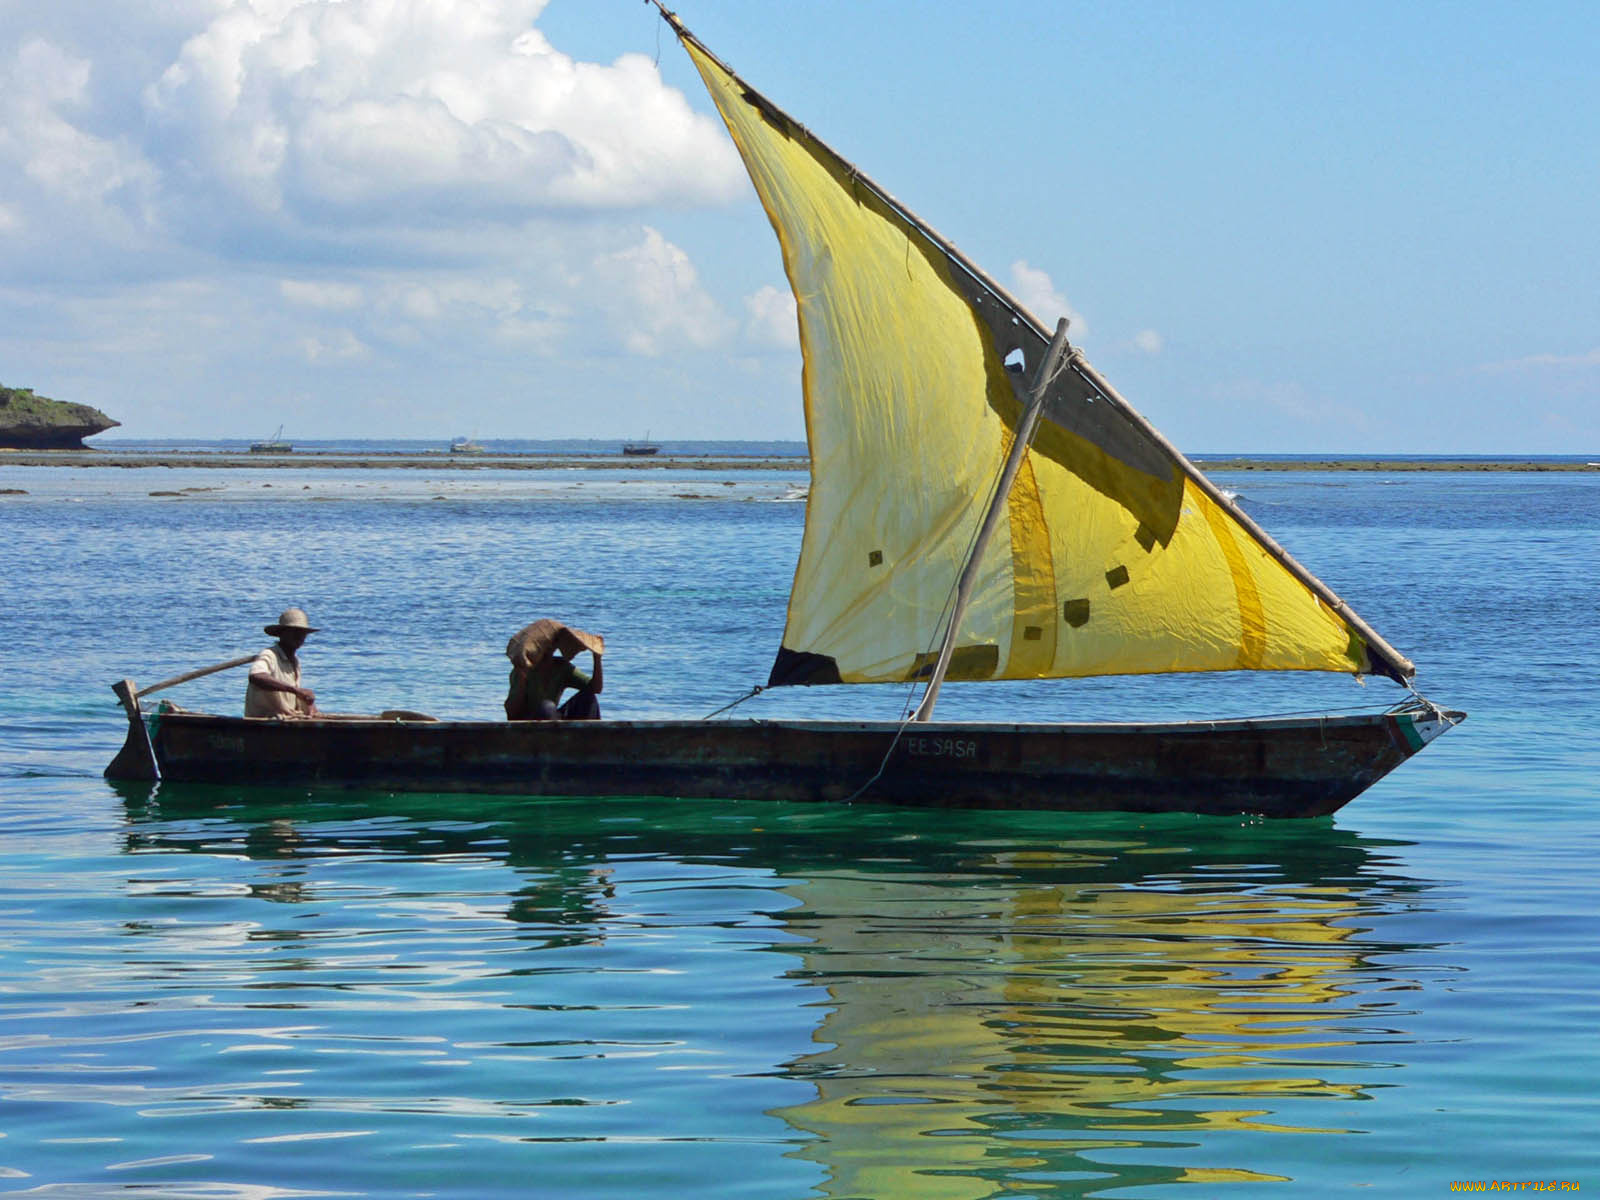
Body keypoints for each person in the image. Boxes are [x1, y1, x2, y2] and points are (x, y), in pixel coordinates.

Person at [504, 619, 603, 721]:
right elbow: (511, 714)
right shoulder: (523, 669)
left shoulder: (562, 667)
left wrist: (597, 658)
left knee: (588, 698)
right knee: (547, 707)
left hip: (552, 719)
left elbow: (595, 688)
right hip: (529, 722)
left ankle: (589, 731)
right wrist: (522, 681)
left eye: (551, 645)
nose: (548, 649)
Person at [245, 607, 318, 718]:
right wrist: (295, 690)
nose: (299, 636)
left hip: (286, 719)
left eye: (302, 633)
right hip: (263, 721)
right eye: (294, 632)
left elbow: (295, 696)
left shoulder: (295, 662)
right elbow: (256, 676)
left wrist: (309, 704)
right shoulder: (269, 655)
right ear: (281, 633)